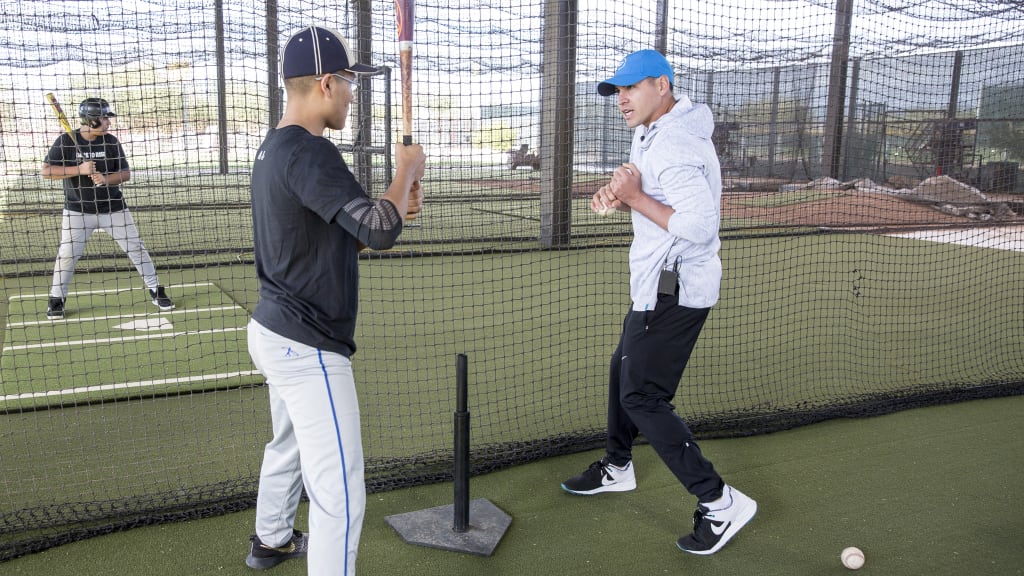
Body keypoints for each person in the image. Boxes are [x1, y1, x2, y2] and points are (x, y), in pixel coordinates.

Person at [244, 26, 426, 576]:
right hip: (307, 343)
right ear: (325, 82)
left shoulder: (275, 146)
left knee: (289, 445)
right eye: (348, 82)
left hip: (275, 330)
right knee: (341, 494)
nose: (352, 92)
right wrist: (406, 171)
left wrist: (395, 204)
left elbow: (347, 229)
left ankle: (271, 539)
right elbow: (378, 231)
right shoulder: (310, 152)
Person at [561, 49, 757, 556]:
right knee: (620, 369)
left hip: (676, 287)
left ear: (662, 86)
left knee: (642, 396)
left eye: (631, 88)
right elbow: (648, 185)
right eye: (617, 91)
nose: (621, 99)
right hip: (656, 282)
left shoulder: (671, 141)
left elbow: (698, 224)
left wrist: (635, 199)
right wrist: (616, 191)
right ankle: (618, 466)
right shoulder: (653, 129)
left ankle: (719, 501)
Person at [42, 97, 174, 319]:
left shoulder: (111, 142)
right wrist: (79, 169)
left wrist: (105, 178)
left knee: (136, 248)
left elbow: (125, 174)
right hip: (77, 210)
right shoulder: (66, 141)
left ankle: (156, 290)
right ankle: (56, 299)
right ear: (91, 120)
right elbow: (46, 171)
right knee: (67, 255)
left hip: (113, 208)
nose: (108, 123)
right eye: (104, 118)